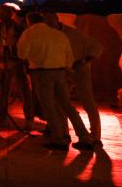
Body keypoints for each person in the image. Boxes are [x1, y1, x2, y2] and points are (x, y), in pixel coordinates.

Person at [17, 12, 91, 152]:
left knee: (49, 106)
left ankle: (59, 139)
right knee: (67, 105)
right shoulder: (58, 34)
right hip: (60, 72)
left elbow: (22, 54)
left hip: (41, 73)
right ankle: (85, 137)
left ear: (28, 21)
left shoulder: (29, 33)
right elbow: (69, 56)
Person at [59, 19, 105, 152]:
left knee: (88, 101)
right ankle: (64, 134)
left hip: (79, 66)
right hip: (64, 68)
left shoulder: (73, 33)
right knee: (62, 101)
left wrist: (85, 61)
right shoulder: (51, 33)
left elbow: (97, 46)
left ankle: (96, 138)